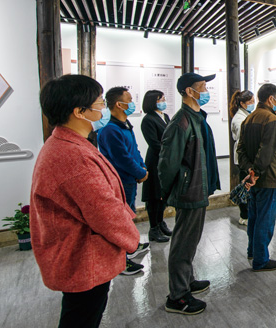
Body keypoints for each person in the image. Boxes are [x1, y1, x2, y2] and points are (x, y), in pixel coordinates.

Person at [30, 75, 140, 328]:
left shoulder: (68, 144)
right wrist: (131, 239)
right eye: (99, 103)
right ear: (79, 112)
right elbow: (103, 210)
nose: (103, 108)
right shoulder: (72, 155)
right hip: (82, 258)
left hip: (79, 255)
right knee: (81, 318)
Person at [159, 72, 220, 315]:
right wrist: (169, 192)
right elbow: (168, 163)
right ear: (189, 91)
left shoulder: (196, 117)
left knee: (190, 240)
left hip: (197, 187)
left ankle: (187, 280)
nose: (206, 91)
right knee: (183, 243)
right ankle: (177, 296)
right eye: (202, 87)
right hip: (189, 191)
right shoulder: (181, 122)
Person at [97, 86, 150, 274]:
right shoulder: (110, 130)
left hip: (130, 179)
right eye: (129, 100)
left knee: (129, 214)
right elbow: (122, 158)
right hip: (119, 181)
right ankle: (122, 260)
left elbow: (134, 150)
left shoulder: (124, 125)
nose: (132, 103)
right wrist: (140, 172)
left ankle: (131, 247)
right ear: (119, 104)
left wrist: (142, 168)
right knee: (120, 220)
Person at [237, 83, 276, 272]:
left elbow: (240, 150)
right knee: (265, 220)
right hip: (268, 177)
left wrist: (250, 170)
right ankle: (261, 260)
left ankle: (252, 251)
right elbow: (266, 150)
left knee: (255, 217)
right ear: (271, 99)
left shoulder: (248, 119)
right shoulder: (271, 119)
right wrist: (257, 172)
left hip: (255, 178)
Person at [141, 90, 172, 243]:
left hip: (166, 160)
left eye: (164, 98)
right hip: (155, 161)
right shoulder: (148, 120)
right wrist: (169, 152)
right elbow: (154, 143)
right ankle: (153, 228)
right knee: (154, 196)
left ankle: (160, 223)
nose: (163, 101)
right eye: (160, 99)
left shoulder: (165, 116)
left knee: (162, 196)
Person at [229, 89, 255, 225]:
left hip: (247, 157)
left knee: (248, 185)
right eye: (250, 101)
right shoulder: (239, 118)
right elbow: (243, 137)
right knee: (245, 186)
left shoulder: (247, 115)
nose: (253, 103)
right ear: (242, 103)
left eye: (253, 101)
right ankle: (244, 215)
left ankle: (247, 213)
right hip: (243, 158)